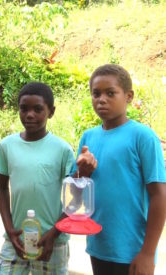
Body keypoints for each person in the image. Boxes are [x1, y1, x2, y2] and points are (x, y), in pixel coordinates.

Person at [75, 64, 166, 275]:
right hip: (99, 245)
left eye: (110, 93)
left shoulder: (142, 137)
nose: (101, 99)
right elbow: (77, 191)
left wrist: (147, 253)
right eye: (96, 94)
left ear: (128, 96)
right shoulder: (89, 137)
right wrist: (82, 172)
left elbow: (159, 195)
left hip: (133, 250)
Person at [0, 82, 78, 275]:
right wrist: (10, 229)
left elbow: (74, 198)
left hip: (52, 241)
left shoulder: (62, 149)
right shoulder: (7, 145)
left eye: (38, 109)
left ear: (51, 112)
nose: (29, 115)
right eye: (24, 108)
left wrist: (55, 233)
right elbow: (2, 188)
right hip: (17, 238)